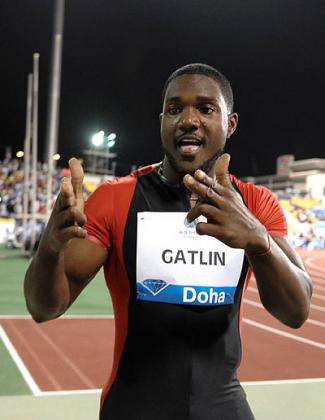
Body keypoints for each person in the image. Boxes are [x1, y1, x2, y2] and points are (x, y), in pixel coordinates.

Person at [24, 63, 312, 420]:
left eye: (206, 109)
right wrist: (49, 249)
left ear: (230, 123)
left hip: (222, 407)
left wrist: (259, 241)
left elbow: (297, 311)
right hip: (134, 408)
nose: (188, 120)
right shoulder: (116, 199)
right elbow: (44, 307)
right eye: (175, 109)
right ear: (162, 121)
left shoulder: (255, 204)